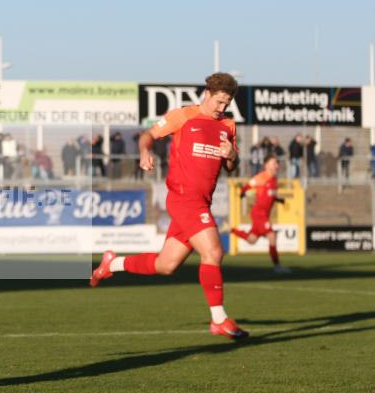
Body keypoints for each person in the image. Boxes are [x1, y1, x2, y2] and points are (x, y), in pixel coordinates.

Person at [90, 72, 249, 340]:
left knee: (166, 265)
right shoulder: (183, 116)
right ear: (207, 94)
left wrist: (233, 156)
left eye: (227, 104)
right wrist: (144, 152)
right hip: (184, 197)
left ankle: (112, 264)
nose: (221, 108)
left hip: (202, 201)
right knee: (213, 252)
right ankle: (219, 319)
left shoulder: (228, 126)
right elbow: (147, 136)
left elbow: (231, 167)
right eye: (218, 101)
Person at [230, 154, 290, 273]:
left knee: (252, 240)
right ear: (266, 165)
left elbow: (269, 195)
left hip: (264, 214)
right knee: (272, 236)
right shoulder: (262, 177)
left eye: (277, 163)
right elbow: (247, 186)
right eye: (274, 163)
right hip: (259, 213)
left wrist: (279, 200)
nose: (276, 165)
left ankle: (230, 230)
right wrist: (243, 192)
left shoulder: (274, 179)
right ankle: (277, 266)